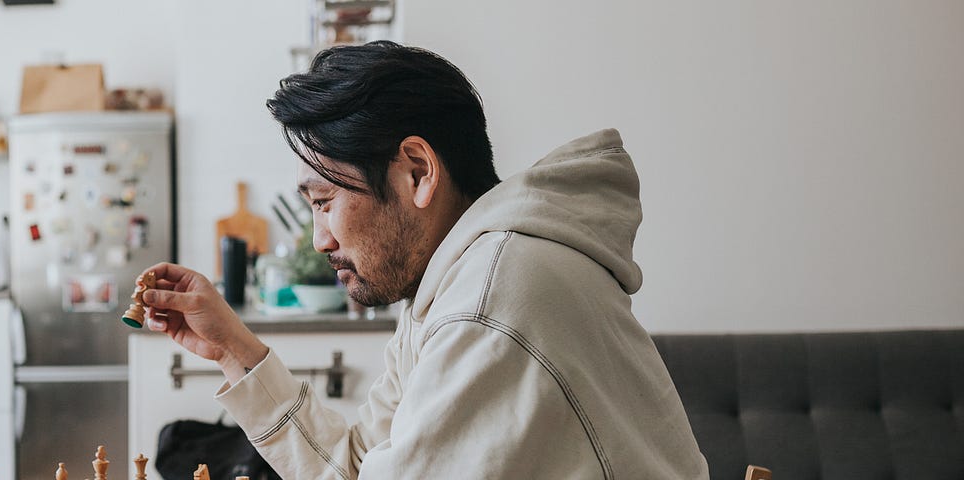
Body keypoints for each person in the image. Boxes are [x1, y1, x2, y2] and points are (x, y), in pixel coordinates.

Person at [140, 41, 708, 478]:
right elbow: (361, 463)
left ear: (417, 170)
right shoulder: (450, 287)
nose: (319, 240)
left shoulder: (488, 306)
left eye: (325, 201)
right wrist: (232, 349)